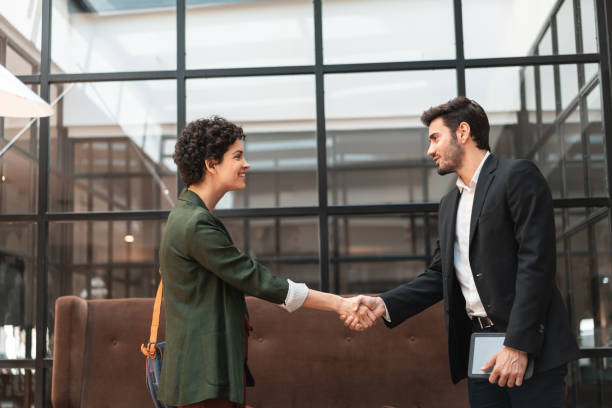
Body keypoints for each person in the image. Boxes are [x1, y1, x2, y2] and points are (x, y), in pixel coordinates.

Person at [342, 96, 579, 407]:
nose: (430, 150)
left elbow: (536, 265)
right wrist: (383, 303)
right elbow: (439, 274)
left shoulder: (517, 176)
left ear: (463, 132)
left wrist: (518, 346)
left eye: (435, 138)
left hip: (529, 345)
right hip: (480, 346)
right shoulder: (449, 204)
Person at [158, 116, 376, 408]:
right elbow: (259, 281)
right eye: (237, 156)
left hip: (202, 377)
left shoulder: (188, 215)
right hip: (203, 378)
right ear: (211, 165)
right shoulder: (196, 223)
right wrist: (340, 303)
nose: (246, 164)